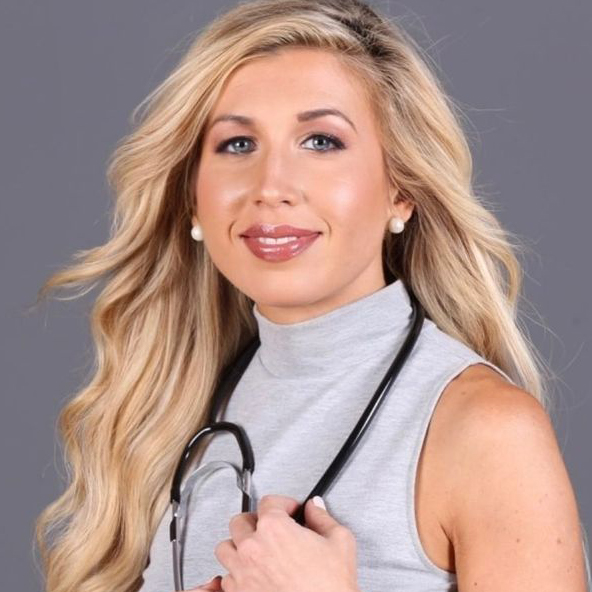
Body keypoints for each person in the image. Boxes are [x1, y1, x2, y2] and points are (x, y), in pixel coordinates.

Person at [33, 1, 590, 591]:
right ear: (193, 199)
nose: (271, 187)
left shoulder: (486, 430)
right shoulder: (169, 417)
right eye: (237, 145)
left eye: (321, 141)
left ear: (401, 190)